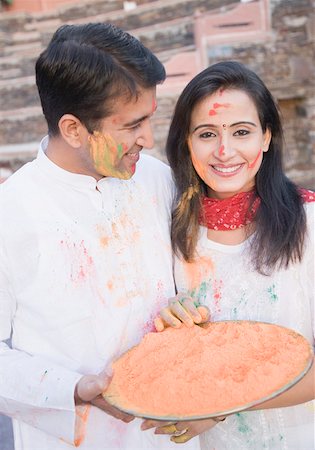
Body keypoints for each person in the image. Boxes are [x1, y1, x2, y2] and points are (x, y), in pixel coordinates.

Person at [0, 23, 200, 450]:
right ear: (73, 129)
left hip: (170, 433)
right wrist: (74, 388)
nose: (148, 138)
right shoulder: (10, 214)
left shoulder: (158, 180)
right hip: (74, 436)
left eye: (150, 118)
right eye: (132, 125)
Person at [142, 61, 315, 449]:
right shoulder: (170, 233)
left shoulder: (309, 223)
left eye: (241, 132)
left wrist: (220, 405)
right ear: (186, 142)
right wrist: (171, 326)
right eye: (206, 134)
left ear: (267, 137)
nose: (224, 151)